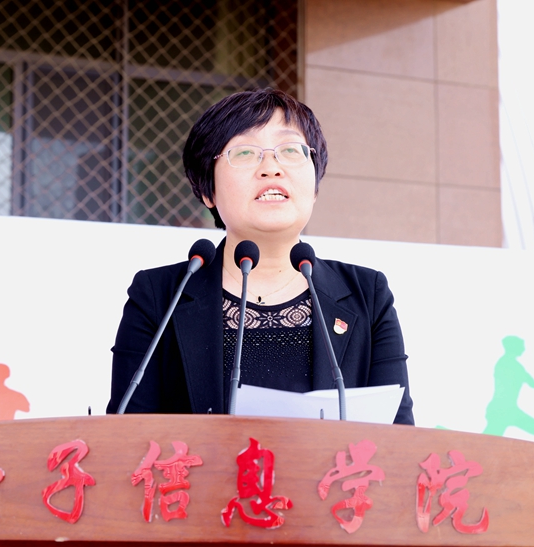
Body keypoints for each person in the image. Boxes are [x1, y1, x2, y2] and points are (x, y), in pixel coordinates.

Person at [105, 89, 414, 424]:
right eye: (245, 152)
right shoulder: (159, 296)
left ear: (315, 185)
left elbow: (399, 438)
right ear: (208, 191)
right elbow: (128, 437)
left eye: (290, 150)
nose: (271, 168)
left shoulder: (367, 295)